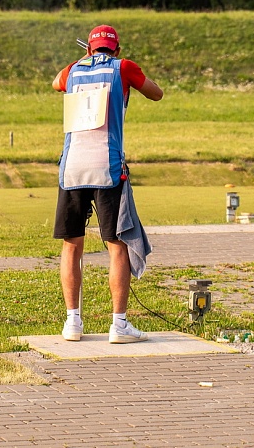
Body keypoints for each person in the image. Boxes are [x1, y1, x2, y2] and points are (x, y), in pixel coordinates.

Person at [52, 24, 164, 343]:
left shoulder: (73, 69)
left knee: (71, 245)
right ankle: (119, 324)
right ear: (117, 49)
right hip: (108, 168)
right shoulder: (123, 67)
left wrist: (83, 62)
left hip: (72, 168)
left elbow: (56, 82)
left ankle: (73, 323)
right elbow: (156, 93)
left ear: (89, 49)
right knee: (117, 246)